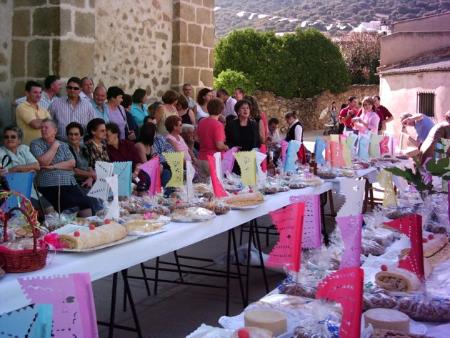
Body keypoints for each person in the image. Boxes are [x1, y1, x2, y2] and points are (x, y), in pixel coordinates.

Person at [30, 119, 92, 217]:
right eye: (42, 128)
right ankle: (69, 230)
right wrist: (54, 146)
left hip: (69, 181)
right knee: (70, 205)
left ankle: (88, 230)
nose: (43, 130)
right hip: (50, 183)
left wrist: (53, 166)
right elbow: (44, 162)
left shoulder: (63, 144)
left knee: (86, 204)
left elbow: (72, 163)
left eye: (46, 127)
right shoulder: (36, 144)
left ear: (55, 130)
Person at [48, 77, 97, 141]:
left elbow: (94, 124)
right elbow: (48, 121)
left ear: (80, 90)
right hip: (61, 143)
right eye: (70, 87)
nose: (72, 90)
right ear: (66, 88)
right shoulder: (56, 104)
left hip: (81, 144)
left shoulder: (88, 105)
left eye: (75, 88)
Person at [15, 81, 51, 145]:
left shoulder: (43, 109)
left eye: (40, 93)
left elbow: (51, 126)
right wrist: (46, 119)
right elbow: (35, 125)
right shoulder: (22, 107)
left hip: (44, 146)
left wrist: (40, 120)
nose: (39, 95)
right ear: (27, 93)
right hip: (28, 148)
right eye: (35, 92)